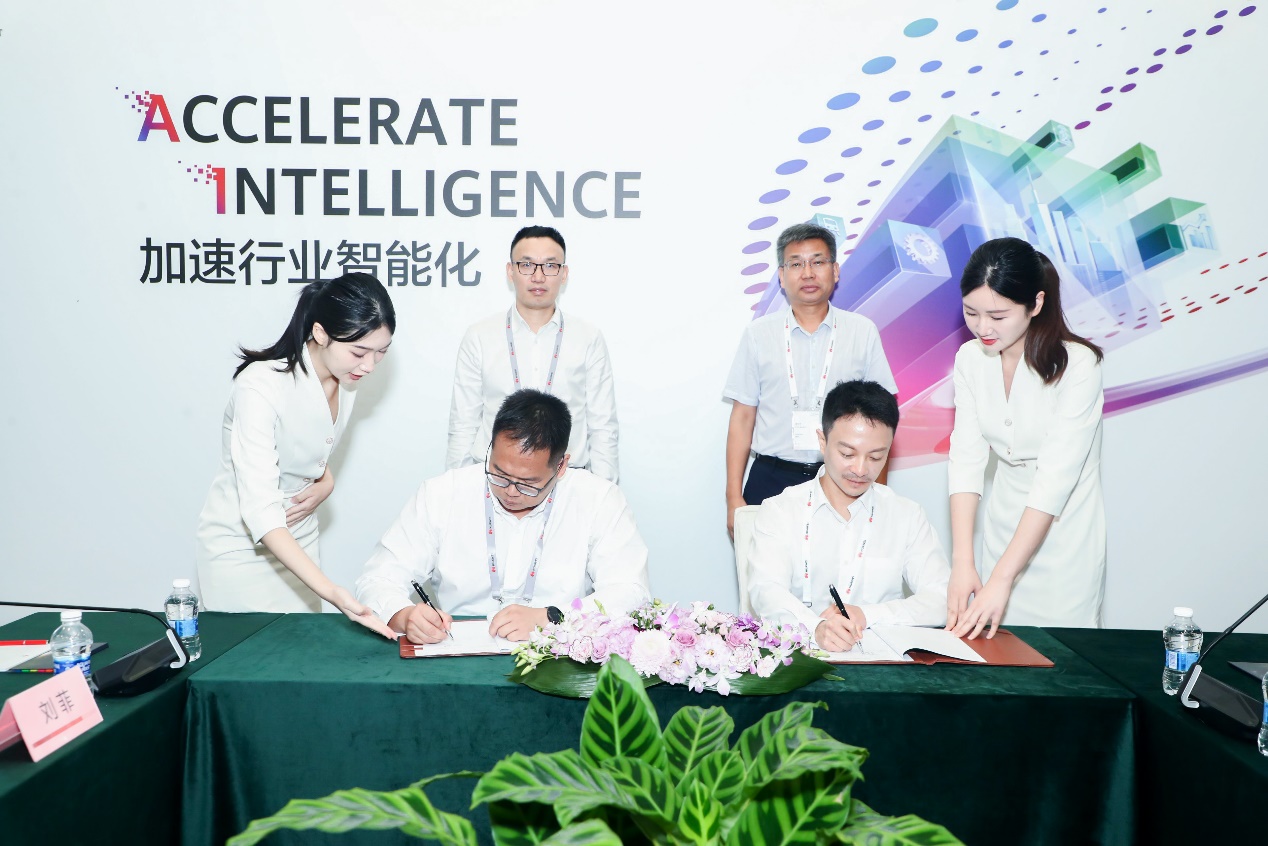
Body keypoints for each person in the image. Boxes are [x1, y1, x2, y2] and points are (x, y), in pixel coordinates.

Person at [358, 389, 650, 644]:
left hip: (557, 655)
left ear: (561, 467)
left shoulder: (598, 500)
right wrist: (404, 615)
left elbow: (630, 591)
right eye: (499, 473)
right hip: (454, 651)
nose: (510, 491)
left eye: (528, 484)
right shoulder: (443, 493)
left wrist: (553, 618)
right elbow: (378, 577)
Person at [196, 272, 397, 638]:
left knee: (298, 655)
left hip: (299, 543)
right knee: (244, 659)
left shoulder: (347, 381)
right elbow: (260, 508)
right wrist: (332, 592)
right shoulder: (260, 384)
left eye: (380, 352)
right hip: (243, 548)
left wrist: (326, 480)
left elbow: (307, 448)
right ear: (320, 333)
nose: (369, 365)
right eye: (359, 352)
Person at [946, 237, 1106, 638]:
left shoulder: (1078, 365)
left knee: (1064, 654)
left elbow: (1054, 482)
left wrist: (1003, 579)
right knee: (997, 651)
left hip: (1063, 535)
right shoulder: (969, 359)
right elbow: (966, 460)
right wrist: (963, 562)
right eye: (971, 312)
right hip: (1003, 527)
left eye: (998, 316)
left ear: (1035, 304)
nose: (983, 328)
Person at [748, 380, 950, 651]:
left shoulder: (906, 516)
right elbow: (766, 591)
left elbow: (942, 599)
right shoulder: (781, 511)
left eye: (875, 457)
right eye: (847, 454)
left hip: (881, 664)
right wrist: (815, 628)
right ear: (822, 441)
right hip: (801, 659)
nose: (860, 469)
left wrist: (869, 615)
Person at [724, 222, 896, 536]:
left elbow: (881, 420)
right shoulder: (758, 334)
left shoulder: (862, 332)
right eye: (796, 264)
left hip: (843, 479)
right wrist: (733, 497)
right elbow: (742, 417)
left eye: (817, 262)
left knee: (842, 566)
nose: (807, 273)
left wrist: (878, 494)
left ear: (835, 270)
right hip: (770, 478)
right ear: (781, 275)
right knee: (764, 566)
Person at [447, 226, 619, 482]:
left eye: (550, 266)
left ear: (564, 273)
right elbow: (463, 424)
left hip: (568, 480)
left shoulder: (588, 338)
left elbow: (603, 427)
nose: (538, 276)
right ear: (510, 271)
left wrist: (605, 491)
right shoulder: (480, 336)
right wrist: (457, 488)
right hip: (495, 481)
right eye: (527, 265)